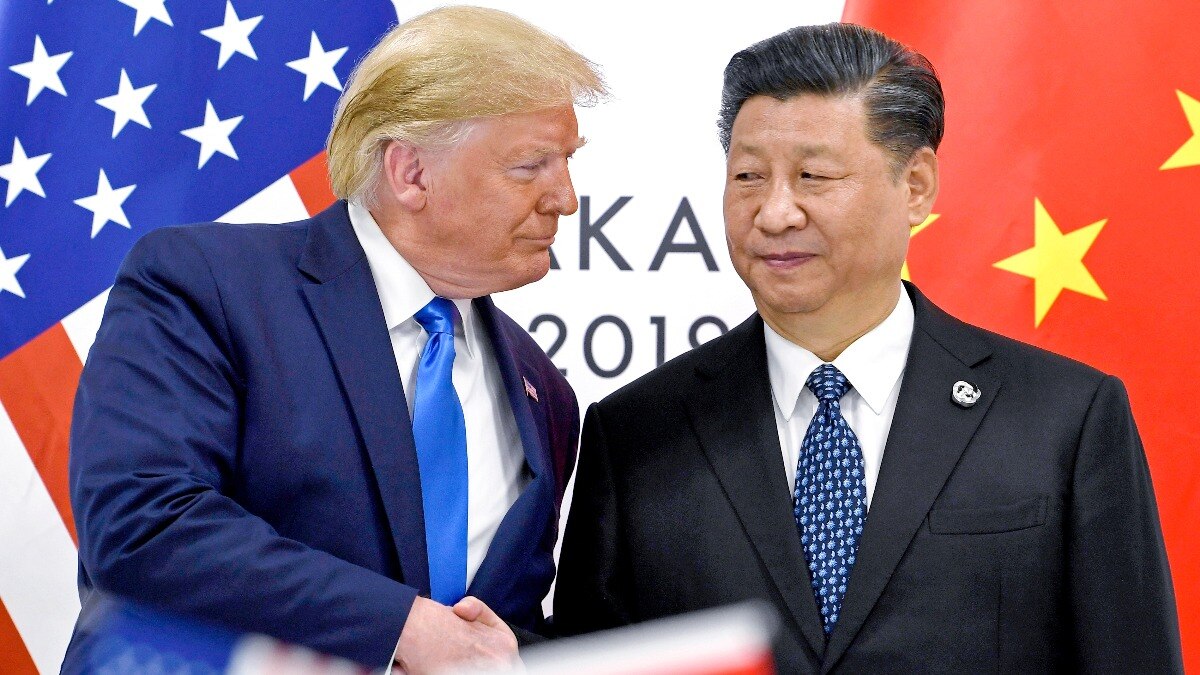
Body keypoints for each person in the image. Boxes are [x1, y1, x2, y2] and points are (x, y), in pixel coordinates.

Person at [554, 22, 1182, 673]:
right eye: (747, 175)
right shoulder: (636, 433)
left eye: (813, 175)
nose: (774, 213)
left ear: (915, 186)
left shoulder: (1065, 419)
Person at [64, 6, 604, 673]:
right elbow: (144, 521)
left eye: (568, 163)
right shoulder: (206, 285)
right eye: (531, 166)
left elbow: (493, 631)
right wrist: (399, 626)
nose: (567, 199)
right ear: (409, 172)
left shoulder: (545, 392)